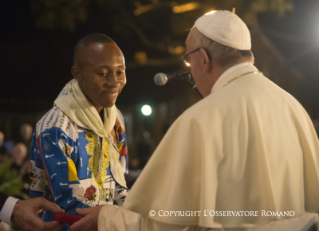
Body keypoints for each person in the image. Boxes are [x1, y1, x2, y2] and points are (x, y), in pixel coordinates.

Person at [69, 11, 319, 231]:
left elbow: (165, 224)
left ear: (203, 58)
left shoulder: (201, 119)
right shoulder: (293, 108)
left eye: (189, 60)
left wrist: (106, 219)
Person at [30, 33, 129, 230]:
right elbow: (67, 203)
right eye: (102, 73)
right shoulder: (55, 128)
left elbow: (121, 181)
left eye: (120, 72)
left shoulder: (115, 117)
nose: (114, 81)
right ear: (77, 73)